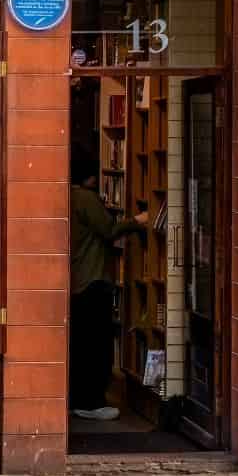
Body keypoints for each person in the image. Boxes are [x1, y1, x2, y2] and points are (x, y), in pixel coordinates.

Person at [70, 155, 148, 421]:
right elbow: (108, 229)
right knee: (96, 343)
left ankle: (79, 398)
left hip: (77, 279)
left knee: (82, 343)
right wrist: (137, 221)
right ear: (89, 176)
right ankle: (91, 401)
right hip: (92, 278)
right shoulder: (83, 198)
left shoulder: (67, 196)